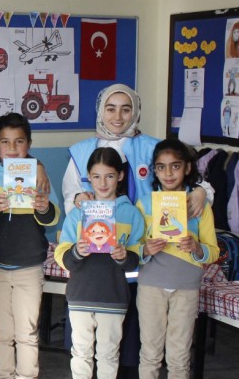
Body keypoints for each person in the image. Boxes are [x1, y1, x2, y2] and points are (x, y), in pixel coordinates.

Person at [0, 113, 59, 379]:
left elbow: (54, 218)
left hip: (30, 266)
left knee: (27, 333)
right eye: (5, 142)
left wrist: (43, 207)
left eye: (19, 141)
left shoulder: (38, 175)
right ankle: (3, 375)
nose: (12, 148)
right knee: (1, 333)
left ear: (29, 144)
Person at [55, 147, 144, 379]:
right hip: (80, 294)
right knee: (80, 354)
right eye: (96, 176)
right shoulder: (77, 214)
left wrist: (124, 256)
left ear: (120, 176)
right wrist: (76, 252)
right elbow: (62, 254)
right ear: (88, 177)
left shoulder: (131, 214)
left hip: (113, 295)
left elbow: (138, 258)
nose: (103, 183)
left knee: (108, 355)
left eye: (110, 176)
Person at [135, 139, 219, 379]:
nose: (168, 173)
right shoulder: (145, 204)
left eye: (175, 166)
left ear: (187, 168)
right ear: (154, 170)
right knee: (150, 354)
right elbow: (133, 248)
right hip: (151, 285)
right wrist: (146, 249)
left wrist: (196, 247)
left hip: (186, 287)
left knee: (180, 357)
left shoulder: (199, 205)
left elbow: (213, 251)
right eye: (161, 167)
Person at [63, 84, 211, 217]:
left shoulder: (154, 147)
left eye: (125, 110)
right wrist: (77, 197)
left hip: (148, 231)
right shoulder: (82, 151)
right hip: (100, 232)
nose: (118, 117)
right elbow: (71, 194)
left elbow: (192, 180)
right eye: (111, 109)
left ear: (135, 112)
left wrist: (201, 192)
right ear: (101, 111)